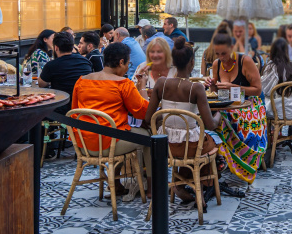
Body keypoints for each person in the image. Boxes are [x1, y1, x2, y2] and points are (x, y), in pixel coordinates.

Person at [71, 42, 154, 196]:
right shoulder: (122, 84)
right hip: (109, 144)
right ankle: (151, 187)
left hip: (83, 143)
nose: (128, 68)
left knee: (119, 130)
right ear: (121, 62)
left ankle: (115, 182)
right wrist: (142, 85)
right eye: (128, 64)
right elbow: (144, 113)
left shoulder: (81, 81)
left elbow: (75, 112)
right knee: (149, 137)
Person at [147, 37, 221, 204]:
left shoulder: (160, 83)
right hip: (191, 148)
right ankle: (198, 189)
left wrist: (167, 117)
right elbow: (210, 125)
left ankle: (182, 184)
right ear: (192, 63)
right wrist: (219, 115)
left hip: (165, 147)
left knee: (192, 141)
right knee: (212, 143)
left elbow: (148, 118)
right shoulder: (196, 88)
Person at [206, 32, 267, 183]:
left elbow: (258, 90)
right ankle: (218, 156)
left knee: (226, 119)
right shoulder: (216, 63)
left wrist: (233, 86)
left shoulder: (245, 61)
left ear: (232, 48)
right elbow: (216, 92)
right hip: (226, 103)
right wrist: (212, 85)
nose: (221, 57)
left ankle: (236, 158)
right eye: (218, 53)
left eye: (224, 53)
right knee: (206, 118)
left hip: (250, 103)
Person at [38, 32, 93, 113]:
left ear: (56, 47)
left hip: (63, 109)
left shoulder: (51, 65)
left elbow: (41, 84)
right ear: (72, 47)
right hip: (85, 107)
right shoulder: (85, 62)